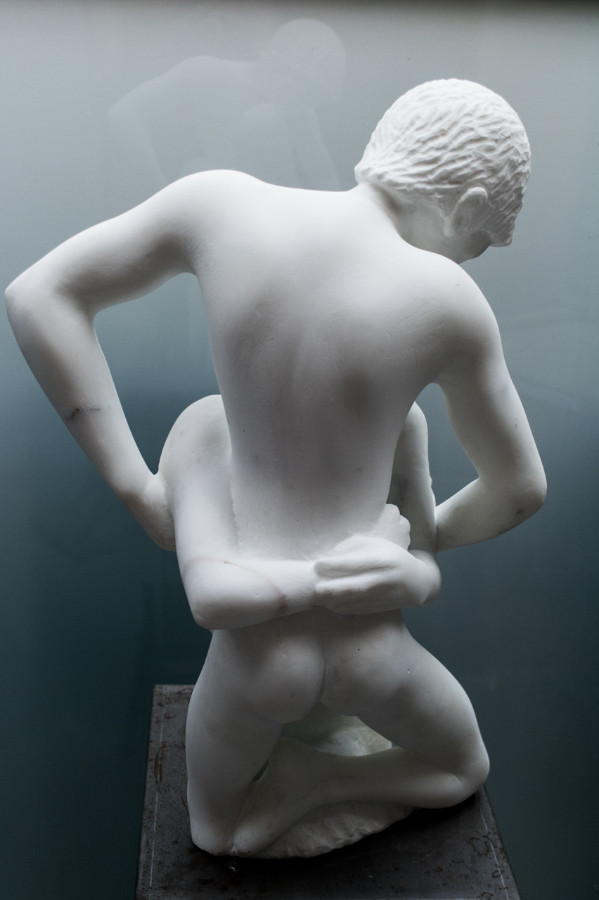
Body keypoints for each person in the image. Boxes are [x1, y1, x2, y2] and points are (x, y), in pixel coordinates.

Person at [5, 79, 546, 857]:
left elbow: (38, 296)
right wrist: (411, 554)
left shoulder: (219, 204)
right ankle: (322, 780)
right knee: (460, 770)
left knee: (217, 831)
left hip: (255, 654)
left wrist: (138, 489)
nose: (470, 258)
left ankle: (300, 778)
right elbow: (519, 489)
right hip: (371, 647)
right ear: (465, 207)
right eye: (480, 242)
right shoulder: (450, 302)